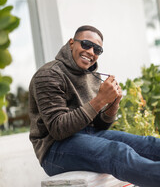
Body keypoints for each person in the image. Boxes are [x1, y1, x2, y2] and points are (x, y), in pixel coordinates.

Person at [29, 25, 160, 187]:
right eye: (85, 44)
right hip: (54, 149)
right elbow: (58, 129)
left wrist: (113, 103)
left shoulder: (93, 76)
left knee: (149, 144)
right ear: (71, 43)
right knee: (118, 153)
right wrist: (99, 100)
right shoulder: (48, 74)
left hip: (90, 135)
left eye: (97, 49)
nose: (91, 51)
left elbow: (99, 126)